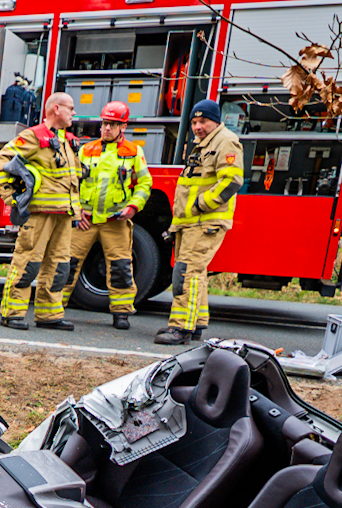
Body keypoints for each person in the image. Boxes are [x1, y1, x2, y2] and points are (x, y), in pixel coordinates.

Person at [0, 91, 83, 331]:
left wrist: (78, 209)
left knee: (59, 266)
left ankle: (49, 314)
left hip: (63, 215)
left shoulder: (68, 141)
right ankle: (12, 313)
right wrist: (12, 199)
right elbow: (2, 162)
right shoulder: (33, 136)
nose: (74, 113)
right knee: (27, 263)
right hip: (39, 214)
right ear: (56, 109)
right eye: (70, 108)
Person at [157, 99, 244, 345]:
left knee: (187, 273)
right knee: (196, 274)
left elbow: (232, 181)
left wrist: (199, 205)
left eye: (203, 121)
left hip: (204, 221)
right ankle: (195, 324)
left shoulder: (225, 141)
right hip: (191, 222)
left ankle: (180, 329)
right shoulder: (203, 144)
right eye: (194, 122)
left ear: (216, 121)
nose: (197, 126)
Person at [77, 101, 154, 329]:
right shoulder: (86, 149)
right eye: (105, 123)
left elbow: (144, 183)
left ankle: (121, 313)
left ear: (124, 127)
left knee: (121, 268)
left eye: (113, 124)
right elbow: (73, 182)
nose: (107, 128)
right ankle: (53, 310)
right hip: (85, 220)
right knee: (66, 265)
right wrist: (77, 209)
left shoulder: (133, 152)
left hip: (116, 222)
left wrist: (133, 207)